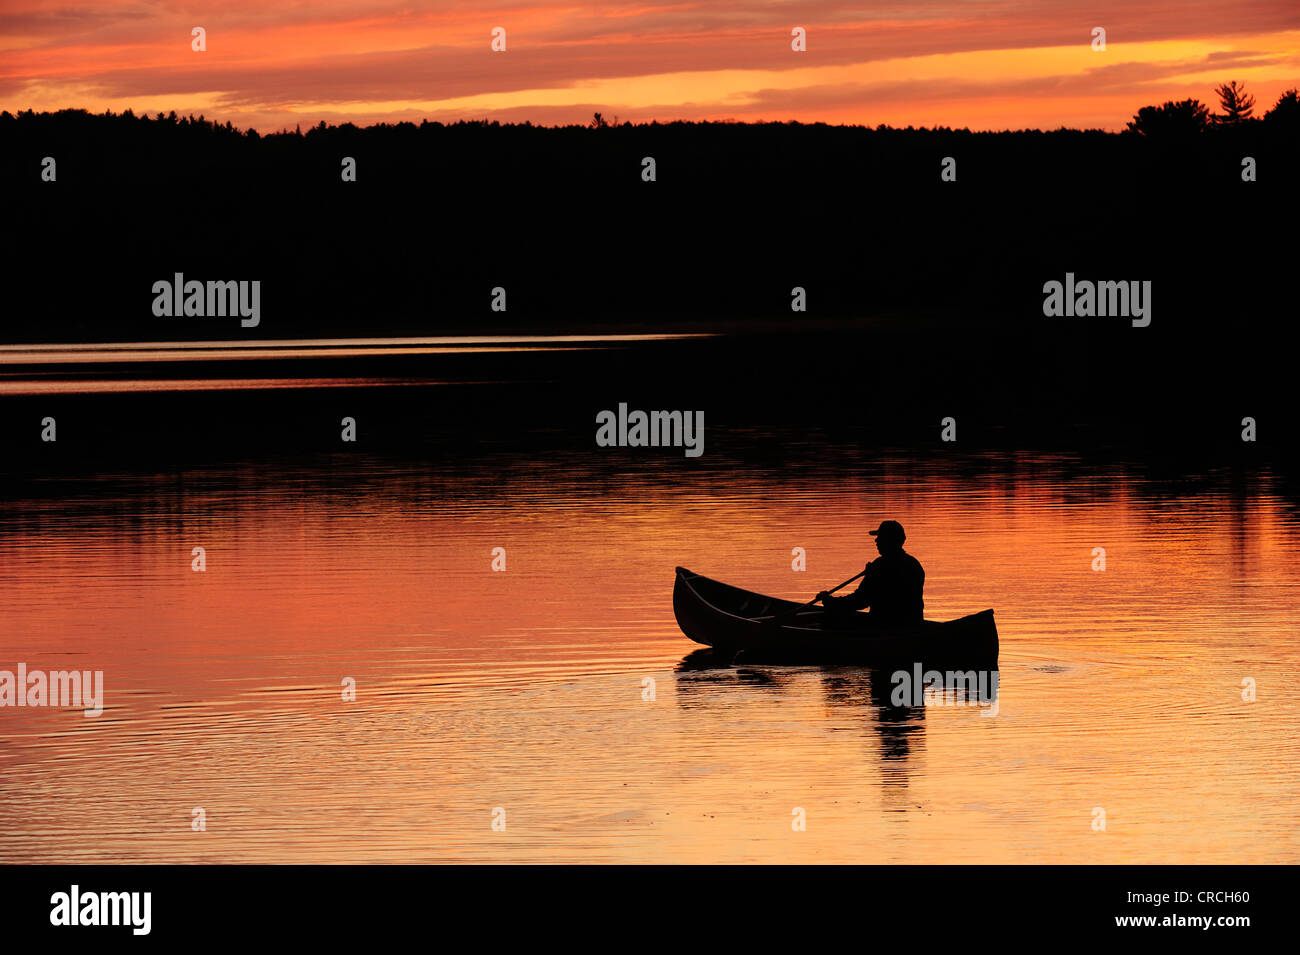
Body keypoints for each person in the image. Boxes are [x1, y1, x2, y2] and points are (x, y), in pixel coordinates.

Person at [818, 520, 924, 626]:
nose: (876, 540)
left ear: (889, 541)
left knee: (829, 620)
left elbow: (860, 601)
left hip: (884, 626)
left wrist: (830, 601)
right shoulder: (914, 564)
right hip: (913, 624)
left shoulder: (880, 566)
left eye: (880, 537)